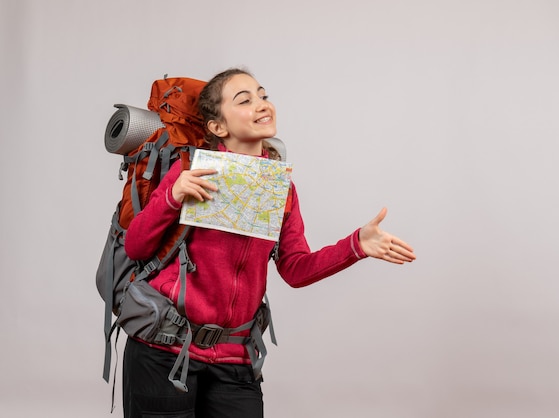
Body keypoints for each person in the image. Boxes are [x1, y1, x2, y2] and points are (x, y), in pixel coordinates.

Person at [122, 68, 416, 418]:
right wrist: (172, 195)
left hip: (235, 358)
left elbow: (295, 268)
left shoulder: (280, 189)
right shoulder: (192, 171)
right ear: (217, 127)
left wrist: (356, 245)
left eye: (263, 95)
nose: (263, 104)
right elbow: (136, 248)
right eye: (245, 100)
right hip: (164, 351)